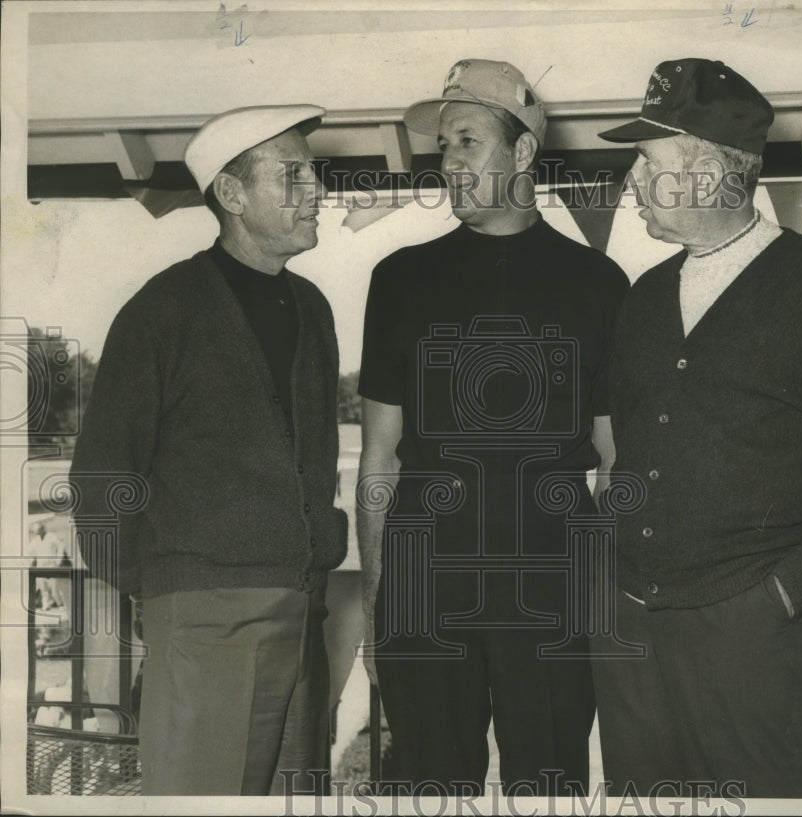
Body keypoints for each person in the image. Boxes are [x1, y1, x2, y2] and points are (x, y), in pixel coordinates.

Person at [590, 58, 802, 798]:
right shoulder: (643, 299)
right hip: (631, 636)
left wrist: (788, 587)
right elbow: (631, 451)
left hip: (748, 638)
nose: (631, 185)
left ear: (711, 171)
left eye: (648, 163)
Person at [357, 58, 629, 795]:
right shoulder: (399, 279)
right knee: (425, 790)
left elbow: (617, 457)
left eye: (467, 141)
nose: (448, 162)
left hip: (551, 591)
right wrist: (381, 601)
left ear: (524, 153)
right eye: (443, 146)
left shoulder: (598, 283)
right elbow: (380, 457)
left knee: (549, 788)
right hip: (423, 590)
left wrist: (596, 595)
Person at [69, 104, 348, 796]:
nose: (316, 189)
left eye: (313, 173)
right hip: (203, 616)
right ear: (231, 195)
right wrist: (169, 589)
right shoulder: (163, 310)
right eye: (293, 176)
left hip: (303, 607)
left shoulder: (312, 308)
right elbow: (102, 478)